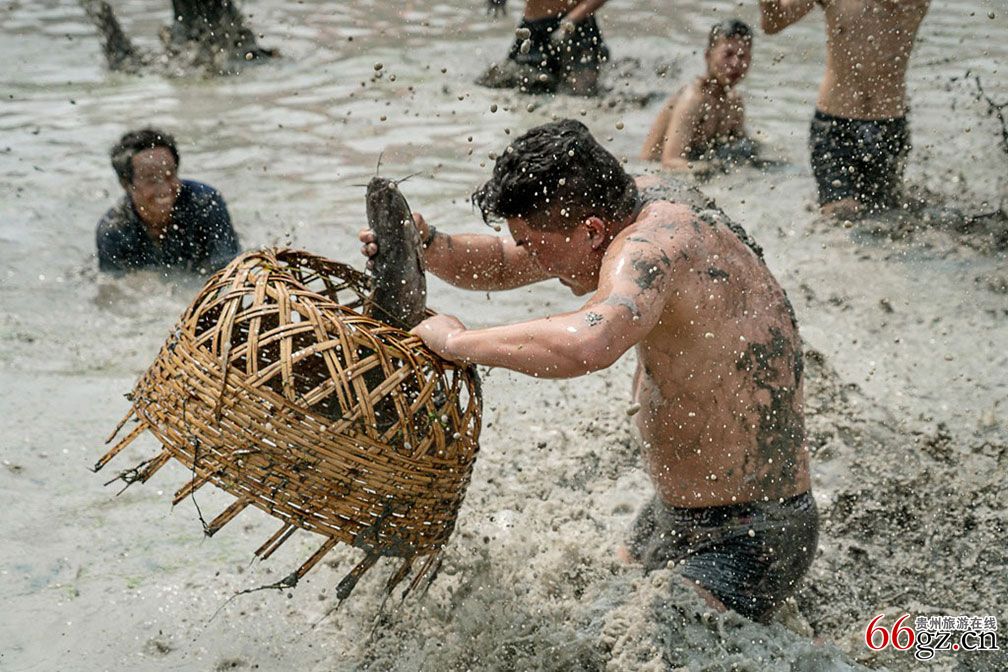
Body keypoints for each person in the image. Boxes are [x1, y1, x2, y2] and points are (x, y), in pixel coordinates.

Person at [359, 120, 818, 622]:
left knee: (633, 639)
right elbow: (504, 263)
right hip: (674, 511)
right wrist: (428, 245)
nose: (530, 258)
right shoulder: (622, 205)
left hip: (752, 534)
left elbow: (589, 343)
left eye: (532, 244)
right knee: (600, 621)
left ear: (593, 232)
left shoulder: (648, 251)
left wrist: (456, 343)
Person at [759, 0, 930, 216]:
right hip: (834, 127)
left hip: (889, 127)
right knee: (840, 216)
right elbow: (773, 23)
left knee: (883, 219)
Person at [96, 128, 240, 274]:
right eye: (151, 179)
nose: (165, 189)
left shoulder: (206, 203)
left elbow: (229, 270)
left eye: (170, 175)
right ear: (126, 184)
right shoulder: (113, 230)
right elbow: (113, 283)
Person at [641, 19, 758, 173]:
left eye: (742, 56)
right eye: (728, 54)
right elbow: (669, 162)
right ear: (708, 56)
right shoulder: (693, 99)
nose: (735, 63)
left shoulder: (734, 101)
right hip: (651, 174)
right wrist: (711, 169)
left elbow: (742, 146)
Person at [477, 0, 611, 96]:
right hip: (534, 27)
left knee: (584, 93)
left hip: (577, 25)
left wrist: (572, 19)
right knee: (515, 86)